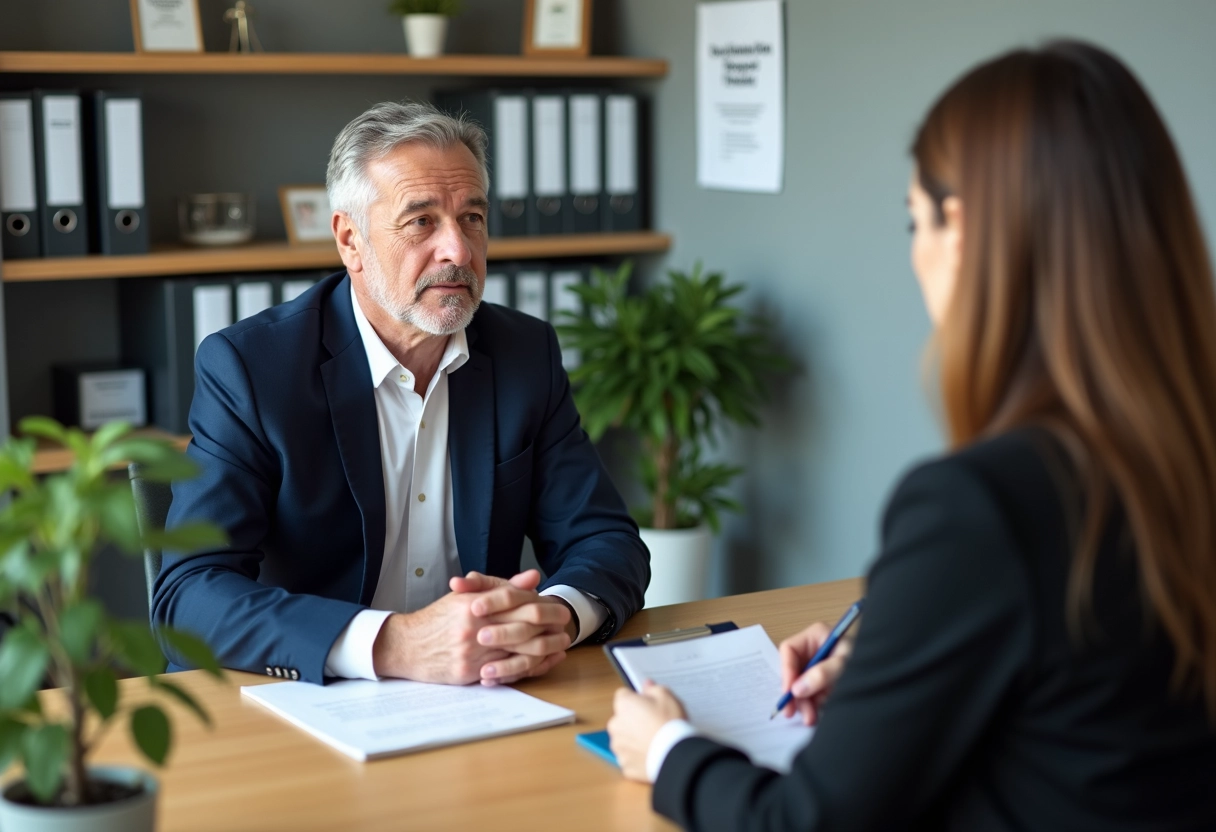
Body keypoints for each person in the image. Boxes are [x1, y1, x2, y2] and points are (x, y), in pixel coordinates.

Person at [608, 40, 1216, 831]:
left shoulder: (980, 503)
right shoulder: (1183, 454)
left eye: (914, 220)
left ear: (959, 231)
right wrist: (902, 669)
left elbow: (803, 822)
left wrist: (667, 751)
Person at [153, 101, 649, 686]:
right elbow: (190, 594)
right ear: (350, 240)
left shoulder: (524, 354)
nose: (458, 252)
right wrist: (393, 644)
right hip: (307, 704)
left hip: (483, 695)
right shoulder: (252, 368)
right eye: (421, 221)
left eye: (472, 218)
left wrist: (556, 617)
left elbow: (606, 539)